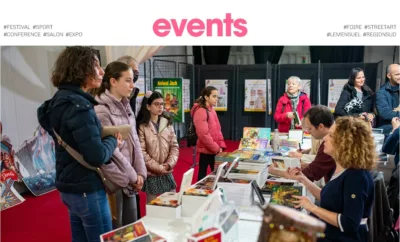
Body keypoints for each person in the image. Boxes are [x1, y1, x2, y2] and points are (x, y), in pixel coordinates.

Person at [37, 46, 121, 242]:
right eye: (96, 66)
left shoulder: (57, 101)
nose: (102, 71)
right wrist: (112, 140)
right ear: (80, 69)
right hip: (86, 188)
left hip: (69, 187)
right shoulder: (80, 107)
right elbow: (96, 156)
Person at [290, 117, 375, 242]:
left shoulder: (356, 177)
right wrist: (303, 179)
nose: (325, 138)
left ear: (344, 143)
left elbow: (349, 223)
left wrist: (313, 208)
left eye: (330, 135)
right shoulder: (342, 168)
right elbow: (330, 198)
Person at [92, 61, 147, 227]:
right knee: (117, 227)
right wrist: (133, 176)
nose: (132, 85)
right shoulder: (101, 108)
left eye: (133, 80)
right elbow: (111, 150)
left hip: (129, 178)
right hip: (114, 179)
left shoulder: (126, 105)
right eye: (128, 80)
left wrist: (141, 172)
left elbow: (135, 141)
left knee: (131, 226)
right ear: (113, 81)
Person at [269, 105, 336, 184]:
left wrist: (276, 171)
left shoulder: (331, 143)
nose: (309, 132)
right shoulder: (333, 138)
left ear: (321, 126)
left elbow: (309, 174)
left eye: (310, 128)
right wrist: (309, 165)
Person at [137, 91, 179, 203]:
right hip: (152, 173)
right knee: (153, 209)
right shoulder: (142, 126)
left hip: (167, 171)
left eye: (162, 104)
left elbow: (174, 147)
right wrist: (159, 168)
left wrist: (169, 164)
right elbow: (142, 152)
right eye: (156, 104)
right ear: (148, 106)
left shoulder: (167, 123)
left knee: (172, 203)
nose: (160, 107)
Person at [191, 86, 226, 181]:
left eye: (217, 97)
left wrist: (221, 145)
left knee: (219, 176)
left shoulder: (211, 109)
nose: (216, 99)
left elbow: (218, 129)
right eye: (214, 96)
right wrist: (216, 148)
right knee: (205, 177)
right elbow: (203, 134)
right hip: (208, 150)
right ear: (206, 97)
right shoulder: (201, 111)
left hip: (214, 149)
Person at [376, 63, 400, 135]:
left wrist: (395, 112)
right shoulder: (381, 93)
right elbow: (385, 114)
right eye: (397, 74)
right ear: (389, 75)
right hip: (387, 127)